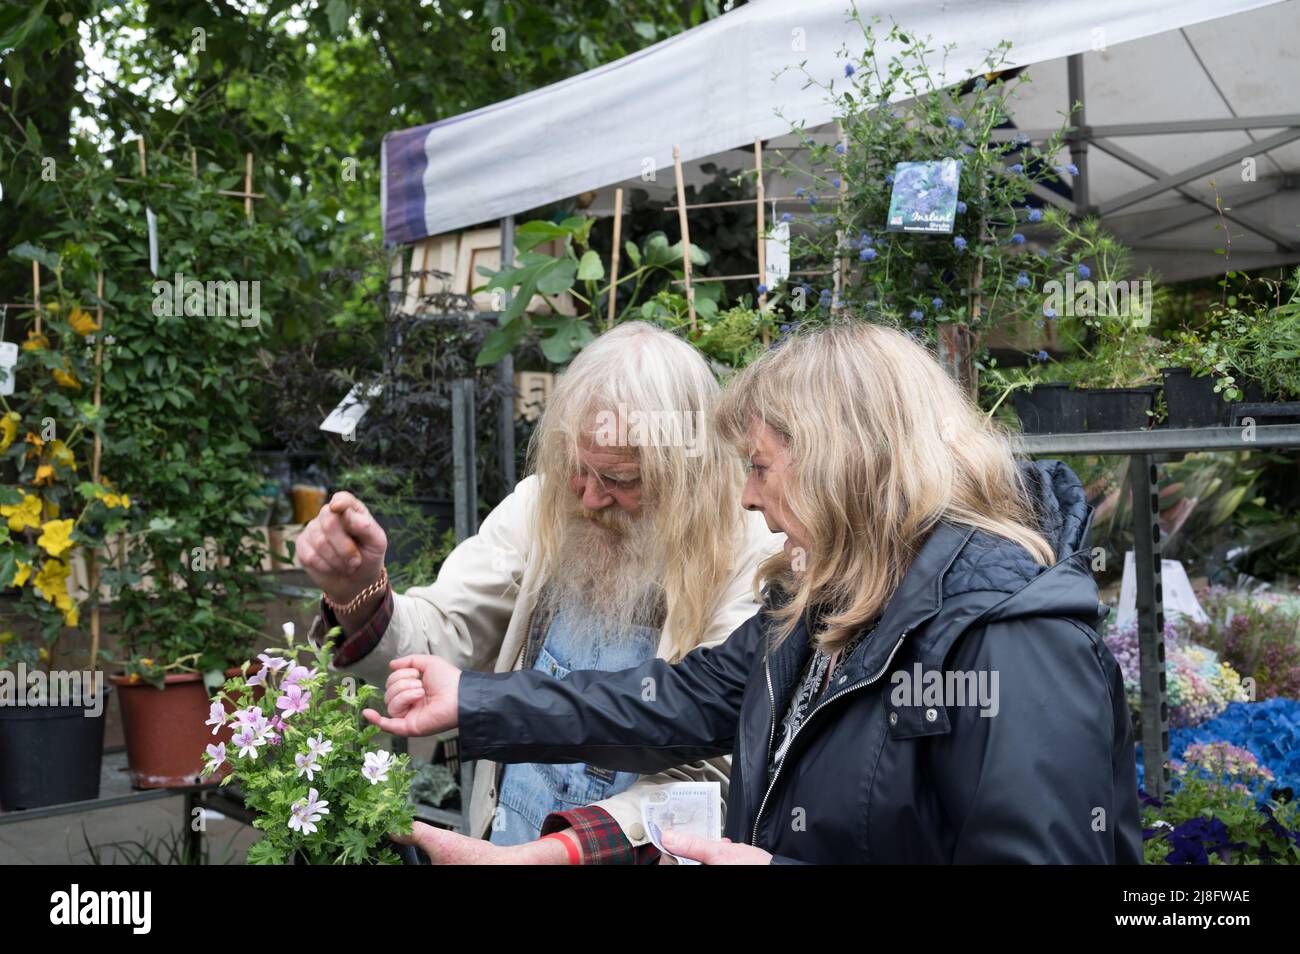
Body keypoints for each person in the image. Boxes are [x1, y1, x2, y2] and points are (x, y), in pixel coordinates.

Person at [364, 320, 1143, 864]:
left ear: (844, 465)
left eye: (761, 467)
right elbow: (676, 702)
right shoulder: (838, 600)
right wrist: (472, 704)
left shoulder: (1013, 640)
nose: (744, 499)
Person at [297, 321, 780, 864]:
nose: (592, 498)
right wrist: (360, 590)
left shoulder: (750, 559)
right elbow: (443, 635)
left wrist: (559, 853)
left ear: (685, 474)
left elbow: (715, 767)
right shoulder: (542, 505)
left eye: (622, 481)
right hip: (509, 842)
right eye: (578, 468)